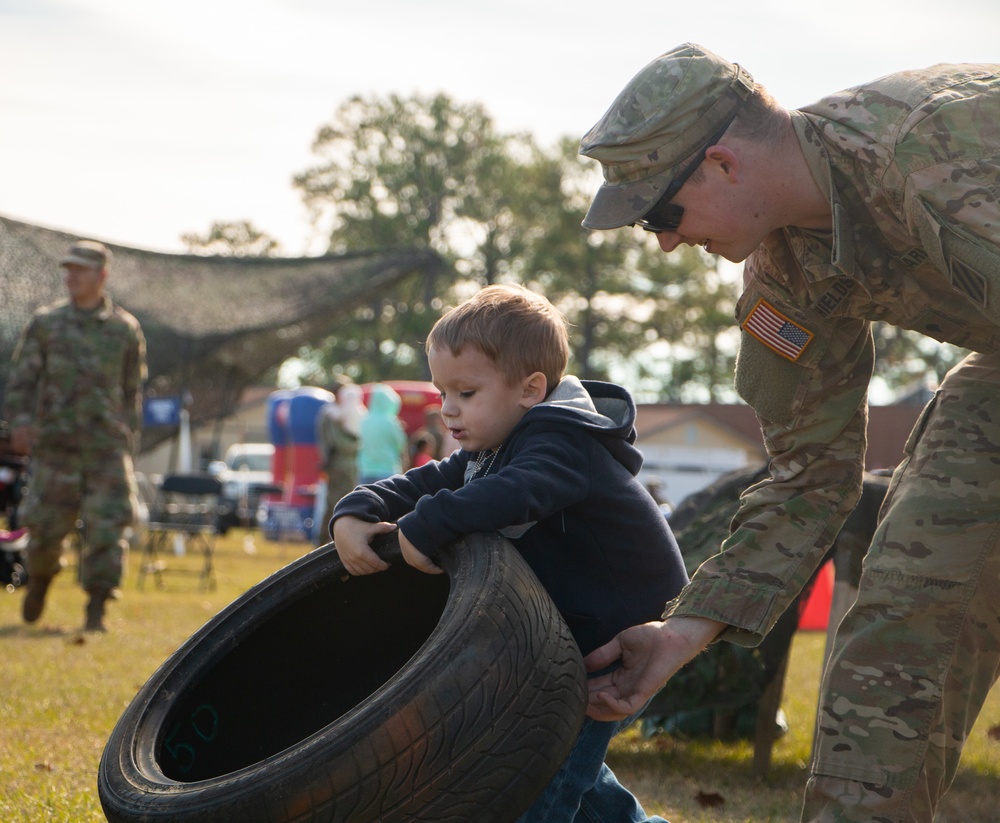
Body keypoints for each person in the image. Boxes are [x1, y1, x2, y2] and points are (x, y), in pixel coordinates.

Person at [577, 42, 1000, 822]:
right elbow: (809, 480)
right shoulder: (786, 277)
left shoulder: (935, 153)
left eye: (662, 214)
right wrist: (682, 632)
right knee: (902, 605)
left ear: (723, 164)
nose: (666, 242)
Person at [332, 284, 687, 822]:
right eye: (442, 393)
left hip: (614, 643)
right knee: (583, 788)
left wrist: (427, 526)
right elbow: (425, 481)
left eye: (466, 394)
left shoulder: (562, 443)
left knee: (535, 779)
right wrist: (357, 508)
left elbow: (518, 490)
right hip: (555, 640)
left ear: (530, 389)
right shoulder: (493, 443)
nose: (448, 410)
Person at [5, 239, 146, 632]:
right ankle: (41, 580)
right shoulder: (46, 324)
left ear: (101, 275)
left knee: (108, 527)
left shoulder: (124, 329)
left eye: (80, 270)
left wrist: (129, 439)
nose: (71, 276)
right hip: (56, 448)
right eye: (68, 269)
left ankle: (96, 608)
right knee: (46, 530)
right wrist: (19, 422)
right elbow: (22, 380)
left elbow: (132, 390)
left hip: (106, 449)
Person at [313, 377, 363, 547]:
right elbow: (333, 443)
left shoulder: (343, 412)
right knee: (333, 503)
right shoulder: (330, 413)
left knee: (344, 502)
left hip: (346, 465)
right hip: (337, 464)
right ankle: (324, 541)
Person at [355, 382, 406, 484]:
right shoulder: (391, 422)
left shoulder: (364, 420)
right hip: (387, 470)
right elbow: (401, 445)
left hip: (365, 471)